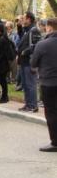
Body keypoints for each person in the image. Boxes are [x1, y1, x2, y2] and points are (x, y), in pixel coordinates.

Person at [30, 18, 57, 152]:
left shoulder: (43, 44)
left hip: (49, 82)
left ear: (50, 28)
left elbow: (33, 63)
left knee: (51, 112)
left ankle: (55, 142)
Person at [17, 12, 42, 112]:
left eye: (23, 18)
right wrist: (19, 26)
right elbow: (22, 37)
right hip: (23, 62)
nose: (22, 20)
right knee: (25, 84)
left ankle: (33, 105)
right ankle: (28, 104)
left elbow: (36, 45)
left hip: (29, 61)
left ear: (29, 19)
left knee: (31, 84)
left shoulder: (34, 30)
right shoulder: (27, 30)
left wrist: (24, 52)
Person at [0, 25, 16, 104]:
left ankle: (5, 97)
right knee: (1, 80)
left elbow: (3, 53)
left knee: (2, 80)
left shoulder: (2, 39)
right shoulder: (1, 39)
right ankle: (4, 96)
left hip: (3, 63)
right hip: (1, 63)